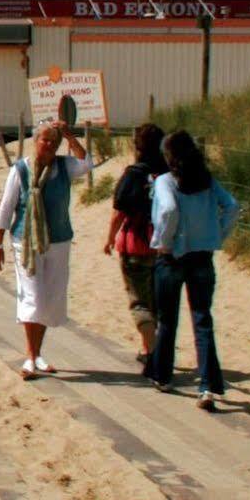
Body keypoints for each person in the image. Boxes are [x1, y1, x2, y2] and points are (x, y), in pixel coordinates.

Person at [0, 120, 95, 380]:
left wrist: (70, 136)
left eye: (53, 141)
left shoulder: (64, 166)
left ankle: (37, 354)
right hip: (25, 241)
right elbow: (6, 207)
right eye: (44, 140)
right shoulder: (21, 170)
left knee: (49, 299)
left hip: (58, 240)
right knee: (33, 297)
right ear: (35, 140)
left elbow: (87, 163)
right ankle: (29, 356)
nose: (48, 145)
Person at [144, 131, 240, 411]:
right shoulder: (207, 180)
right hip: (202, 256)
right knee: (202, 320)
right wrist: (216, 235)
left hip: (172, 257)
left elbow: (169, 210)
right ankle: (208, 386)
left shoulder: (165, 181)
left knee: (167, 319)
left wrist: (163, 241)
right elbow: (232, 206)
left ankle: (163, 376)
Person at [104, 123, 168, 360]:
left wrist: (109, 239)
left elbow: (118, 213)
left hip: (135, 243)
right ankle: (149, 348)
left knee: (139, 302)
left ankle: (152, 352)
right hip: (164, 246)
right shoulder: (169, 174)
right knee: (156, 302)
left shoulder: (133, 174)